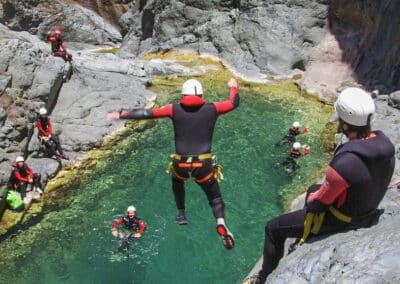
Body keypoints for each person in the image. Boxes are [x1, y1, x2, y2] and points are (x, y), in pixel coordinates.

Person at [247, 87, 395, 283]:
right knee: (312, 189)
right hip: (367, 210)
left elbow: (319, 204)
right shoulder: (386, 147)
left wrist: (311, 198)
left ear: (345, 123)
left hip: (344, 219)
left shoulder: (346, 162)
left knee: (273, 228)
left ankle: (263, 278)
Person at [107, 78, 240, 249]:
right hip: (203, 164)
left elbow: (148, 114)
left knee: (177, 181)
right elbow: (233, 103)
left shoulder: (173, 109)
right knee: (214, 197)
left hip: (181, 164)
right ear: (200, 94)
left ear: (183, 95)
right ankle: (220, 221)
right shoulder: (212, 108)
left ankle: (181, 213)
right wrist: (233, 87)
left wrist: (120, 115)